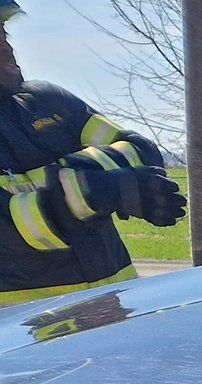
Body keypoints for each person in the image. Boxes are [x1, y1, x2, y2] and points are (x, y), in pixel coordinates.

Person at [0, 3, 184, 308]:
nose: (7, 48)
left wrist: (105, 182)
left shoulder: (49, 101)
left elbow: (141, 148)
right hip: (27, 338)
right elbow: (11, 228)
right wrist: (89, 193)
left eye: (3, 33)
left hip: (117, 314)